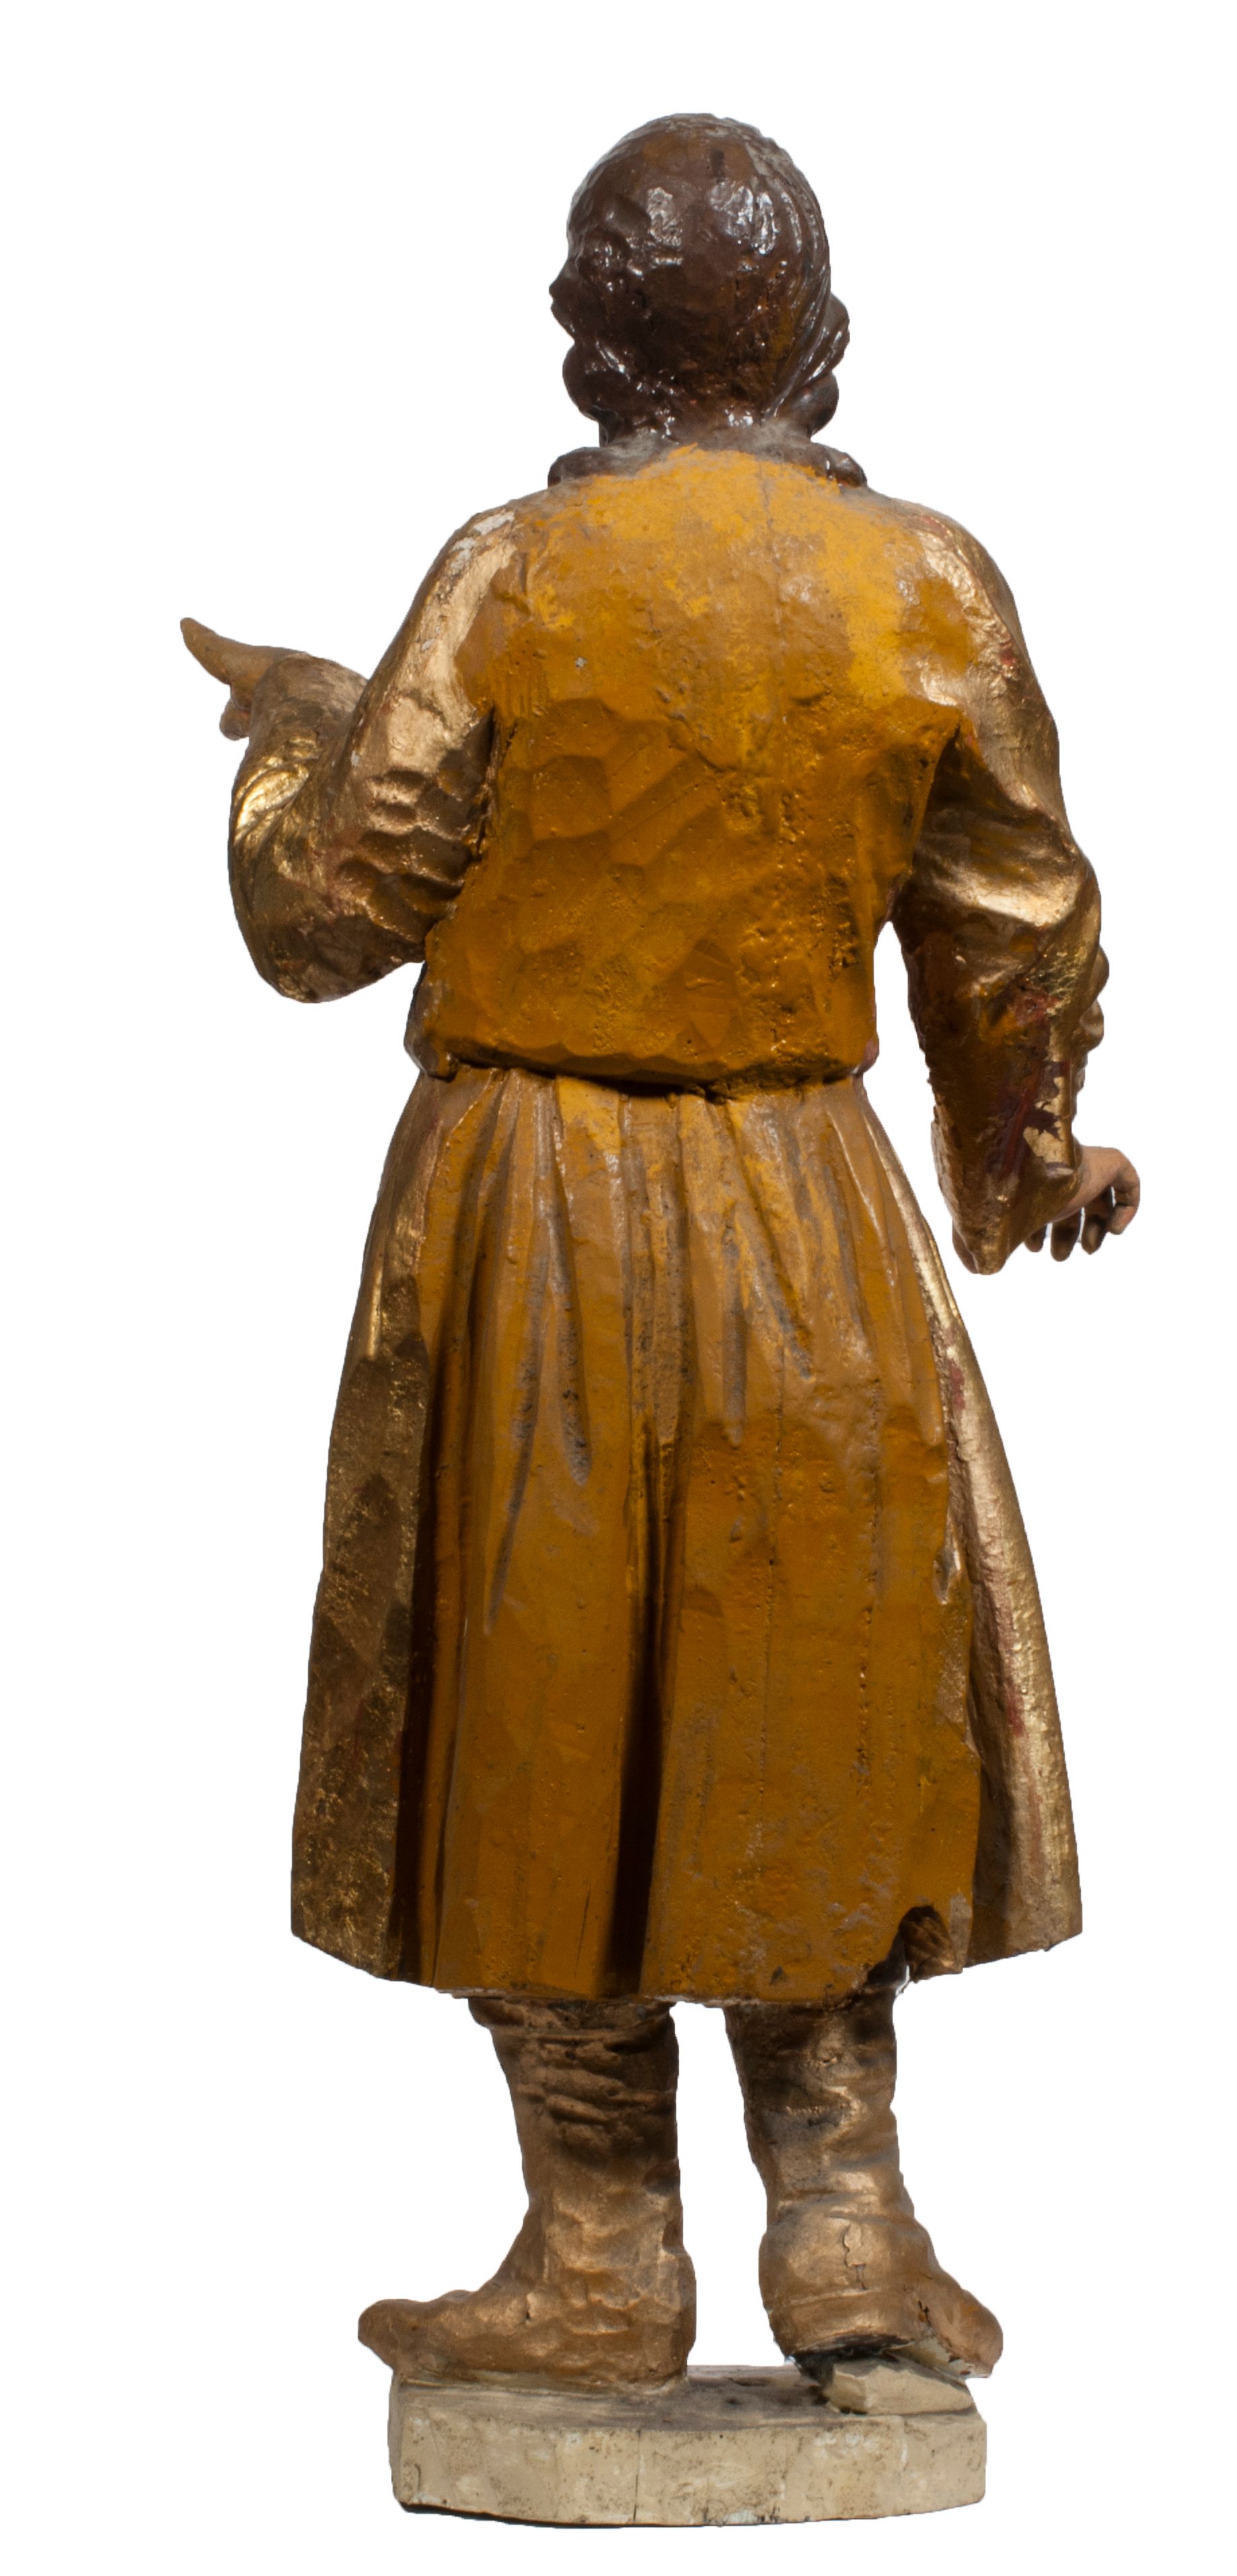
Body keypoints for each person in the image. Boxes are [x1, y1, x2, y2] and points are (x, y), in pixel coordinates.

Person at [185, 112, 1139, 2392]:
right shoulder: (929, 581)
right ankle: (847, 2225)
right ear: (823, 342)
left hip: (533, 1207)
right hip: (807, 1214)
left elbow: (330, 916)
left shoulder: (512, 571)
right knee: (818, 1692)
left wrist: (289, 746)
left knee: (537, 1710)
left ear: (581, 343)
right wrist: (1023, 1153)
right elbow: (1017, 917)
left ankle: (603, 2247)